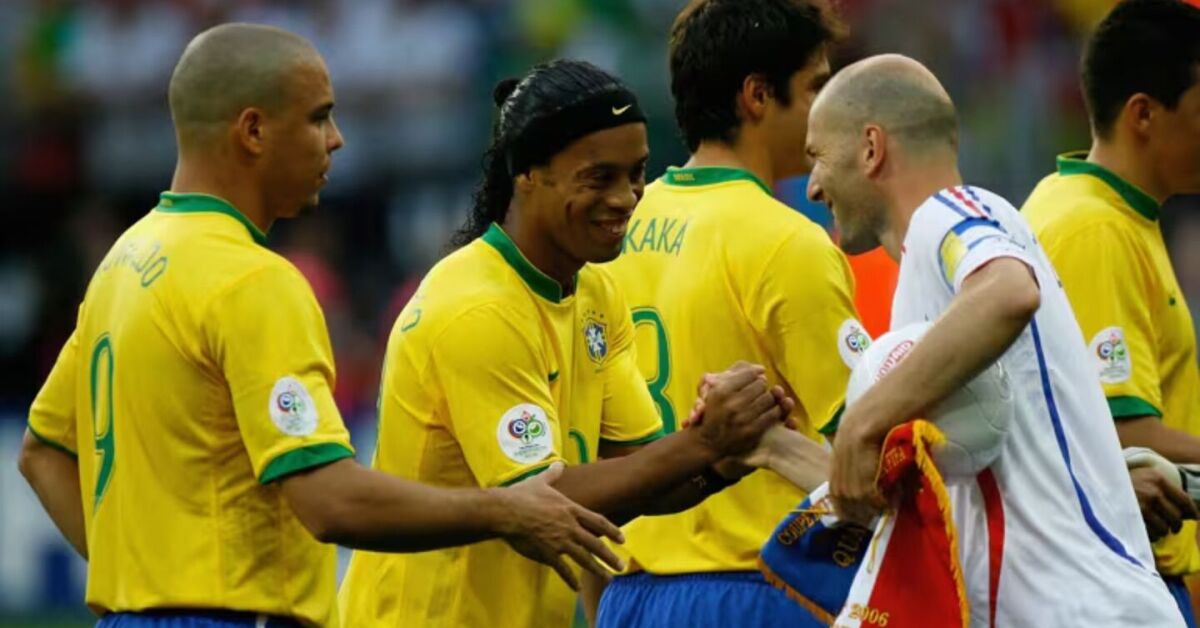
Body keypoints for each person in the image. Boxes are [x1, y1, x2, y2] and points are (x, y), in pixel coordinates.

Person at [16, 24, 628, 628]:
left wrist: (141, 588)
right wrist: (505, 510)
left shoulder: (123, 263)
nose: (336, 140)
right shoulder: (252, 281)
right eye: (318, 118)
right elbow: (330, 502)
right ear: (253, 130)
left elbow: (43, 451)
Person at [337, 59, 790, 628]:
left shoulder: (595, 290)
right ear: (528, 173)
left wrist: (729, 452)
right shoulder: (479, 309)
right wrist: (703, 443)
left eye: (637, 173)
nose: (627, 197)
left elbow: (641, 477)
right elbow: (544, 501)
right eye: (599, 177)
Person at [805, 53, 1184, 626]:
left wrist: (864, 420)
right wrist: (765, 447)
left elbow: (1009, 291)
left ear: (871, 148)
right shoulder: (927, 293)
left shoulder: (951, 211)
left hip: (1084, 609)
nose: (812, 185)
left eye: (818, 156)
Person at [597, 1, 860, 626]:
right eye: (816, 87)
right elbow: (866, 463)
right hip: (758, 592)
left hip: (627, 596)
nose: (830, 109)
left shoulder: (613, 233)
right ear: (758, 96)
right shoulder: (787, 243)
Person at [1021, 0, 1200, 620]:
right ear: (1143, 114)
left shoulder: (1096, 206)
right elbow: (1121, 438)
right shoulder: (1096, 230)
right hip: (1112, 587)